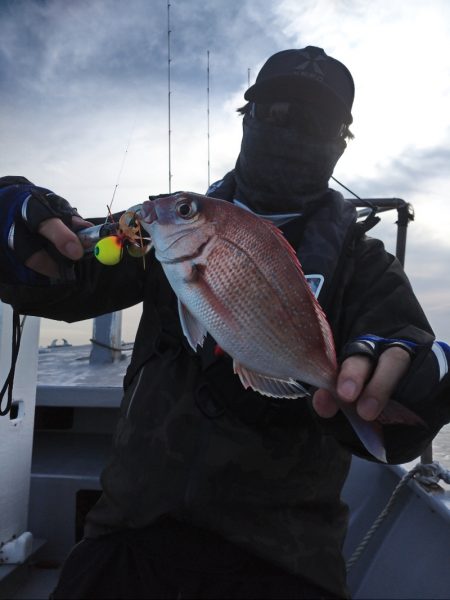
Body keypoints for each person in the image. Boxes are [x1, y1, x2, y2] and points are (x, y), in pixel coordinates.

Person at [1, 46, 449, 599]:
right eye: (277, 112)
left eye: (315, 119)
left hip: (285, 562)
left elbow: (404, 378)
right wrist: (17, 223)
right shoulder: (166, 224)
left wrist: (414, 378)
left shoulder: (367, 266)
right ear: (248, 120)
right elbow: (65, 267)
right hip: (131, 534)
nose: (292, 128)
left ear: (340, 142)